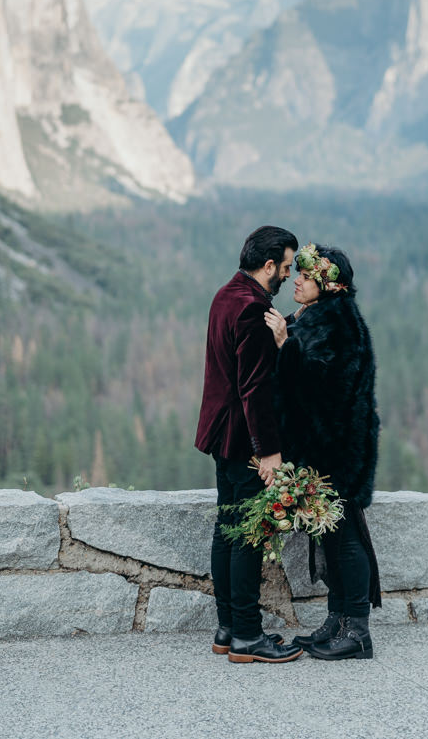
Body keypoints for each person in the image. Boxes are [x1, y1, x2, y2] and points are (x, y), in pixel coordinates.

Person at [264, 243, 381, 661]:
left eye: (306, 277)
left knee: (346, 539)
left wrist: (285, 344)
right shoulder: (317, 315)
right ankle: (336, 621)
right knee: (330, 538)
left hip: (339, 451)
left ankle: (358, 631)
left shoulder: (340, 322)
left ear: (328, 285)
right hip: (325, 449)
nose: (296, 279)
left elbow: (327, 387)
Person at [194, 225, 304, 664]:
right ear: (269, 264)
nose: (287, 275)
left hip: (220, 435)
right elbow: (254, 388)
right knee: (247, 536)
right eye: (286, 267)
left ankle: (227, 628)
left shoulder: (226, 295)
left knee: (228, 530)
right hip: (245, 441)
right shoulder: (253, 310)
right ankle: (246, 637)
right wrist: (270, 453)